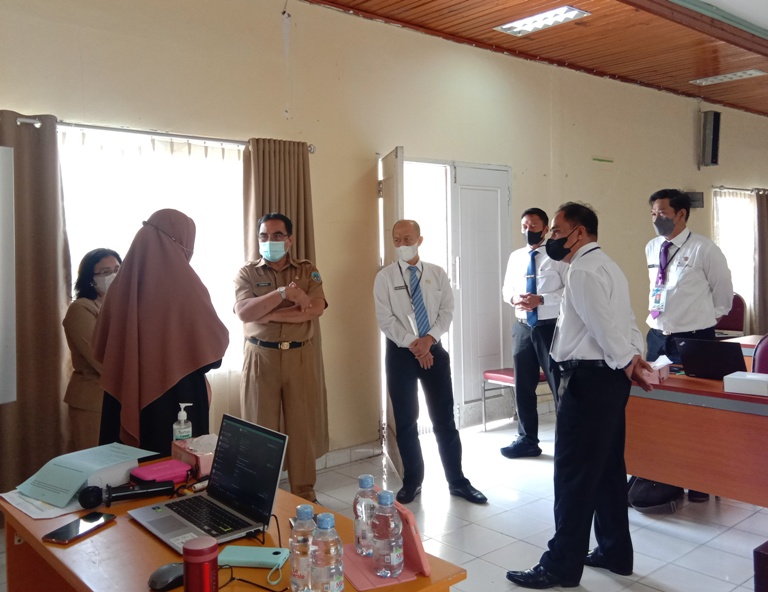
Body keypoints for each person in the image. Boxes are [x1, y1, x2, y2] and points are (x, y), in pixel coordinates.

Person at [506, 202, 653, 589]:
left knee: (573, 475)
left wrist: (628, 362)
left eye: (557, 231)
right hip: (610, 380)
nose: (551, 238)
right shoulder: (608, 265)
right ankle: (615, 551)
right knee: (606, 468)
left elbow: (603, 327)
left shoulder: (583, 271)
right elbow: (628, 321)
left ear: (580, 233)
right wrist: (633, 358)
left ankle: (560, 566)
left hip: (589, 381)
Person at [93, 209, 229, 457]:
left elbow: (102, 348)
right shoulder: (185, 285)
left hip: (124, 394)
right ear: (180, 242)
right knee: (174, 470)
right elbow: (213, 352)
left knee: (129, 470)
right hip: (178, 399)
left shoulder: (119, 287)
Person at [373, 219, 487, 505]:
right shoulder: (385, 277)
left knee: (444, 419)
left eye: (407, 238)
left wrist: (428, 341)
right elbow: (385, 320)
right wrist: (415, 344)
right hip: (400, 353)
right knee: (406, 420)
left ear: (419, 240)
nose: (401, 244)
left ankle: (457, 481)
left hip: (434, 349)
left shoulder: (436, 273)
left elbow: (447, 311)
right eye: (396, 239)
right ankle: (413, 481)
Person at [644, 188, 732, 502]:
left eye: (662, 213)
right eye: (653, 213)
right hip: (657, 337)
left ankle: (699, 480)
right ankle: (663, 472)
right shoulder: (652, 247)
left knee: (696, 411)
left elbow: (723, 296)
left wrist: (700, 321)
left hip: (693, 339)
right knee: (658, 406)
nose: (657, 219)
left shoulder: (704, 249)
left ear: (681, 214)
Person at [234, 212, 327, 502]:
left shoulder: (307, 269)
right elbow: (244, 312)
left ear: (290, 240)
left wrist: (269, 313)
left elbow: (315, 308)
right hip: (261, 357)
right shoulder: (247, 273)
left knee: (302, 428)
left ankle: (304, 495)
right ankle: (259, 497)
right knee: (259, 430)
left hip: (299, 356)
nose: (270, 241)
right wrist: (284, 294)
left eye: (277, 235)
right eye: (264, 236)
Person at [500, 208, 567, 458]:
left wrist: (542, 299)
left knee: (558, 384)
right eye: (525, 226)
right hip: (522, 327)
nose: (529, 231)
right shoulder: (516, 257)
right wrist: (514, 298)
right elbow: (506, 289)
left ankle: (566, 440)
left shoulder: (558, 256)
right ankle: (527, 439)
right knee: (523, 386)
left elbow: (569, 291)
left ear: (546, 229)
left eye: (534, 226)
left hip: (550, 327)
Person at [63, 248, 122, 450]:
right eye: (105, 272)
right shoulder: (81, 308)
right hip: (93, 401)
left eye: (117, 269)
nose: (113, 276)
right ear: (90, 279)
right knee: (96, 461)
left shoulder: (124, 306)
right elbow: (99, 357)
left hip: (120, 398)